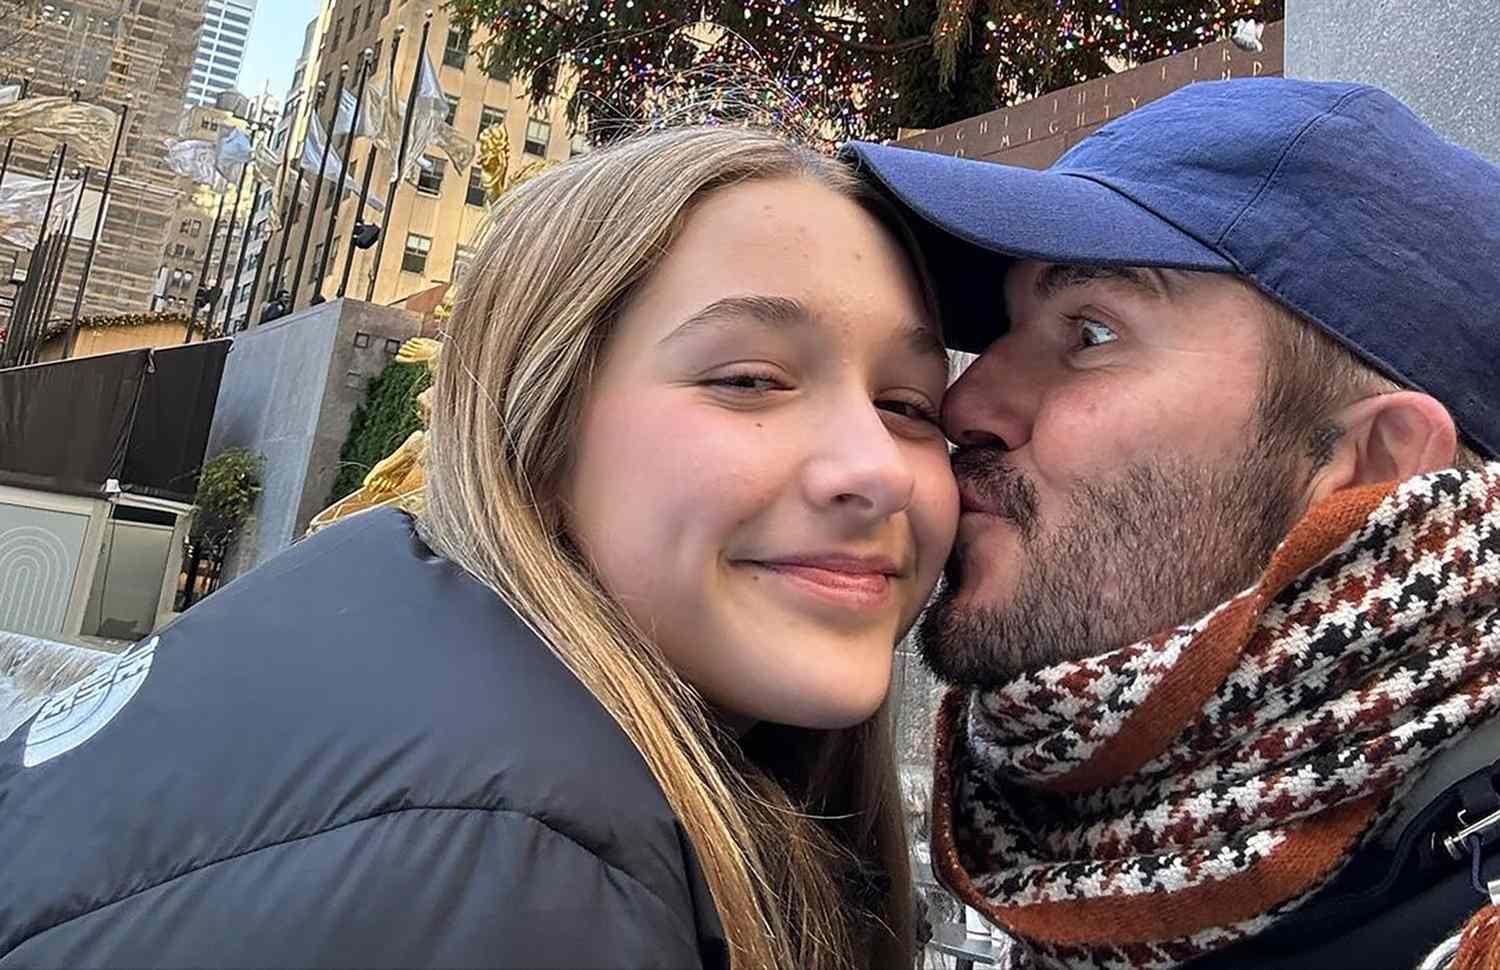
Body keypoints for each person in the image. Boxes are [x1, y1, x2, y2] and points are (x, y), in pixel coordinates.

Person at [0, 126, 959, 969]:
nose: (874, 468)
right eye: (750, 380)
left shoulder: (374, 621)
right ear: (537, 437)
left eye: (911, 405)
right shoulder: (516, 869)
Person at [842, 77, 1500, 969]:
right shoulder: (1070, 846)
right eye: (1005, 327)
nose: (966, 404)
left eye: (1093, 333)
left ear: (1376, 463)